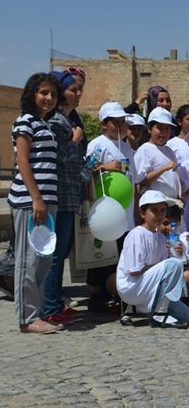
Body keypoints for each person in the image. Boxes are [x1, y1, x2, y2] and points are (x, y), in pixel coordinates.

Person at [9, 73, 63, 334]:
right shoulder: (25, 122)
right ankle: (26, 318)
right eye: (44, 92)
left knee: (43, 258)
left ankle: (37, 312)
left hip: (48, 201)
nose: (49, 98)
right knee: (27, 260)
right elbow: (22, 161)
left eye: (53, 94)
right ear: (32, 94)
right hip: (30, 202)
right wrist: (36, 198)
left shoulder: (46, 125)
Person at [43, 69, 88, 325]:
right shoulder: (57, 123)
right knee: (55, 254)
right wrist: (75, 140)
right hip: (58, 195)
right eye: (74, 90)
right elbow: (58, 158)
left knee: (61, 252)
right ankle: (49, 306)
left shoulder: (70, 121)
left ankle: (56, 301)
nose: (79, 94)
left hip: (71, 194)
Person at [84, 102, 136, 311]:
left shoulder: (126, 146)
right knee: (102, 255)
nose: (119, 125)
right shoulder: (97, 144)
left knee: (120, 254)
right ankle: (97, 295)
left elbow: (135, 177)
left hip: (126, 212)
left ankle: (117, 294)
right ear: (104, 124)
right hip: (105, 211)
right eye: (115, 122)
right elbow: (85, 172)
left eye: (122, 121)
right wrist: (105, 167)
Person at [116, 190, 189, 328]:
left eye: (162, 210)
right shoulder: (137, 235)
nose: (159, 215)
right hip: (131, 287)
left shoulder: (161, 238)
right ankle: (159, 314)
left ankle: (135, 309)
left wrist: (175, 256)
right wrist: (168, 264)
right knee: (173, 264)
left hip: (146, 287)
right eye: (154, 210)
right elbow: (135, 271)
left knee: (185, 315)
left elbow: (163, 273)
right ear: (142, 213)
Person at [135, 107, 181, 200]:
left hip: (173, 203)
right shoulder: (144, 150)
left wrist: (179, 195)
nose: (163, 133)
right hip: (155, 203)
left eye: (167, 129)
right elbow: (140, 182)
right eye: (159, 128)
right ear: (149, 129)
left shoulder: (169, 150)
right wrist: (163, 168)